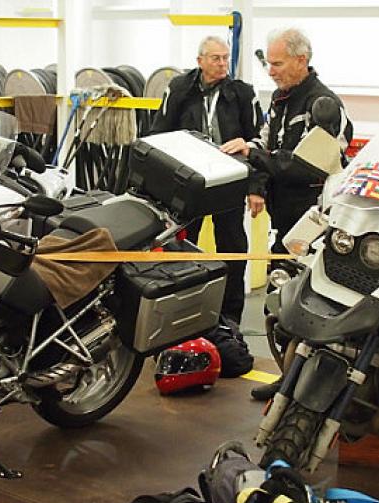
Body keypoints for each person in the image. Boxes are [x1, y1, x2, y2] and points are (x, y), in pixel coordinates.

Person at [220, 28, 352, 401]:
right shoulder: (281, 99)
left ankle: (311, 387)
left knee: (309, 308)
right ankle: (289, 380)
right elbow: (265, 141)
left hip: (316, 226)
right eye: (269, 64)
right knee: (279, 307)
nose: (271, 71)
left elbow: (308, 167)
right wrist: (254, 179)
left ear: (300, 60)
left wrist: (254, 154)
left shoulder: (324, 106)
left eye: (277, 64)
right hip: (288, 223)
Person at [149, 36, 263, 324]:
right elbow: (160, 134)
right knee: (181, 246)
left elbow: (258, 143)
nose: (223, 63)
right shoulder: (178, 89)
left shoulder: (242, 93)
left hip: (228, 183)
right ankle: (182, 312)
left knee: (233, 247)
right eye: (216, 58)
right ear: (200, 61)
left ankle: (230, 318)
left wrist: (255, 187)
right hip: (189, 185)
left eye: (226, 58)